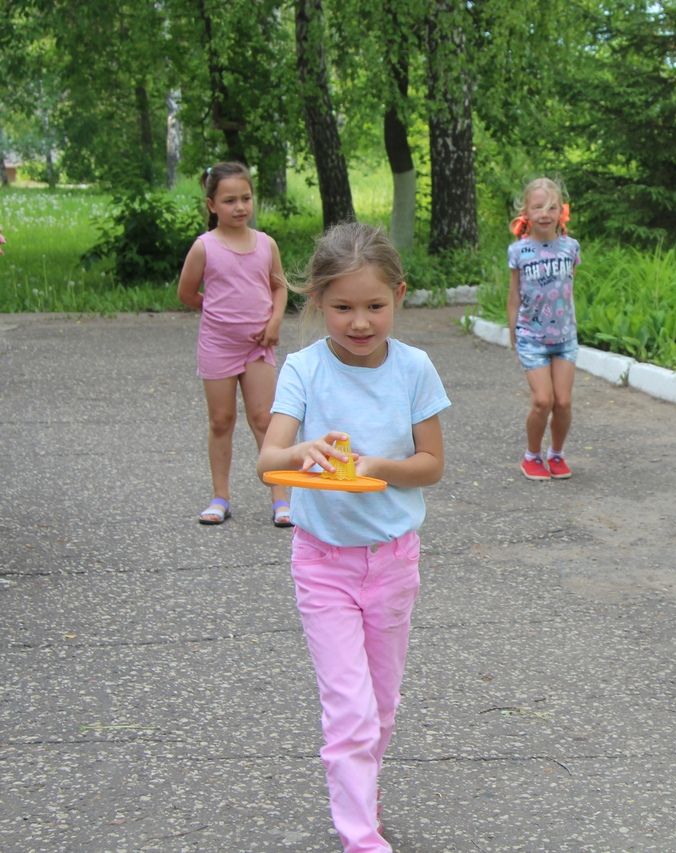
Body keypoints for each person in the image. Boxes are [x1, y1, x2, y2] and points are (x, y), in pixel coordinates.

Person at [257, 222, 449, 852]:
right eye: (342, 307)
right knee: (350, 711)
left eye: (375, 306)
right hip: (323, 564)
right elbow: (268, 459)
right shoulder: (304, 369)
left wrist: (377, 467)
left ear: (398, 295)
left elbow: (431, 465)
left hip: (394, 561)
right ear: (317, 301)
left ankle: (363, 793)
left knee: (381, 708)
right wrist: (303, 449)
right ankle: (359, 838)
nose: (360, 322)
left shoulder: (415, 368)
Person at [177, 162, 291, 526]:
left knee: (264, 419)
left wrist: (273, 322)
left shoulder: (266, 244)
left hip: (260, 345)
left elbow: (278, 287)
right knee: (221, 420)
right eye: (229, 200)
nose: (240, 207)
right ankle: (219, 498)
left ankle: (280, 499)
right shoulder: (204, 247)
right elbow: (187, 293)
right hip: (218, 346)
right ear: (212, 205)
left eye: (246, 198)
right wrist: (218, 317)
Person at [506, 177, 580, 481]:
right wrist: (513, 333)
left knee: (562, 402)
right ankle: (532, 455)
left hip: (564, 338)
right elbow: (513, 297)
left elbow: (569, 289)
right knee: (542, 400)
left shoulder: (571, 248)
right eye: (537, 207)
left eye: (551, 207)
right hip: (531, 337)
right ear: (526, 211)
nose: (545, 213)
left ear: (561, 211)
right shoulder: (519, 252)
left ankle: (557, 454)